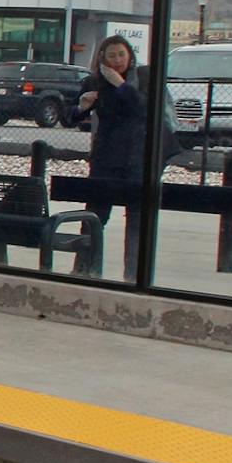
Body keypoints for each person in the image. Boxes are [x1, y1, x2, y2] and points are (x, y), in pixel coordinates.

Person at [64, 35, 174, 281]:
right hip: (106, 158)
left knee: (136, 218)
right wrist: (81, 107)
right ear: (102, 59)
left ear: (130, 56)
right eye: (111, 56)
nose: (117, 60)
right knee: (94, 216)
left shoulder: (143, 78)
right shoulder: (94, 82)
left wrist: (121, 85)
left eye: (121, 55)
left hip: (137, 158)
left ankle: (134, 276)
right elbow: (69, 117)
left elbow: (145, 109)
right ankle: (84, 270)